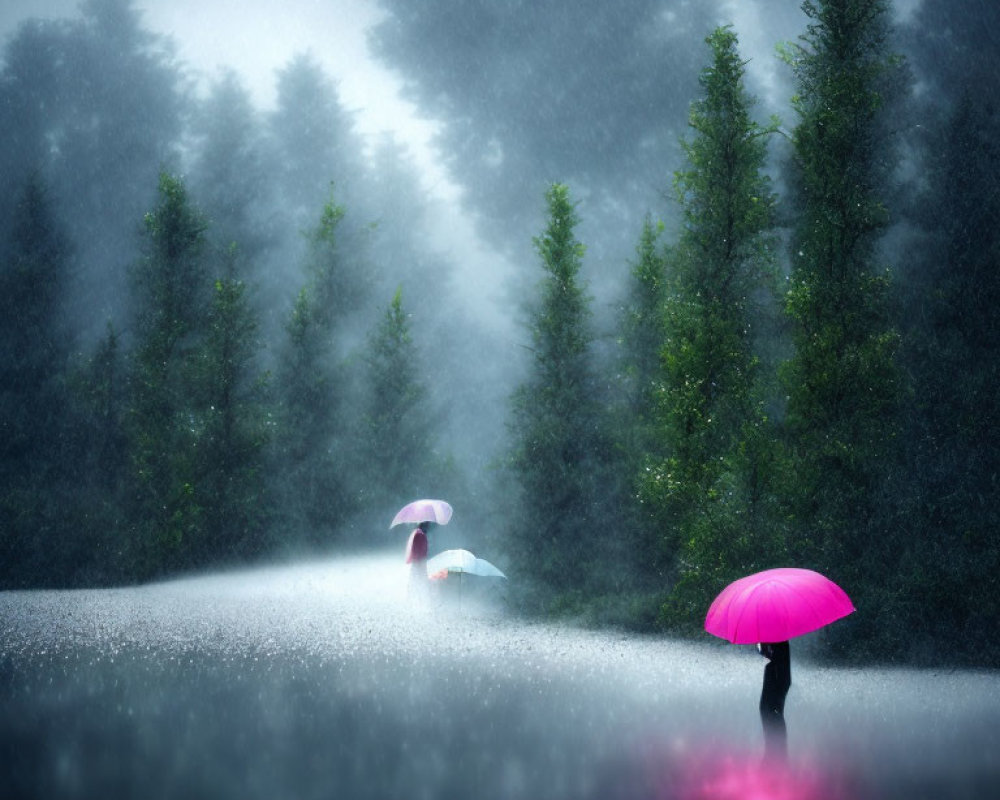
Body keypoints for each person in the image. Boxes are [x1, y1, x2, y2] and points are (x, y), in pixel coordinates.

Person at [758, 641, 791, 762]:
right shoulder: (779, 640)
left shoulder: (776, 642)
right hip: (777, 677)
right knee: (771, 712)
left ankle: (776, 759)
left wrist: (764, 648)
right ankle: (776, 758)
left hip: (777, 678)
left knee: (770, 711)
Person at [404, 521, 430, 599]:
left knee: (414, 578)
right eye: (427, 525)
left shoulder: (415, 533)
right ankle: (417, 596)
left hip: (416, 561)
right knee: (420, 579)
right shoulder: (420, 534)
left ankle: (412, 595)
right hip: (420, 561)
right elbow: (421, 550)